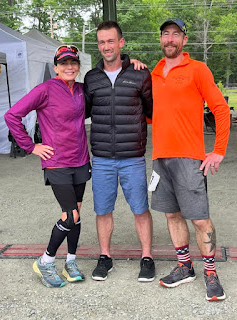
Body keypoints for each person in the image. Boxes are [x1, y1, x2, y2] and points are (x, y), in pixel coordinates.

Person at [151, 18, 230, 301]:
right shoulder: (154, 73)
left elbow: (220, 109)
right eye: (165, 34)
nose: (170, 39)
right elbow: (153, 114)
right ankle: (185, 267)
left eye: (175, 34)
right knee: (171, 215)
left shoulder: (197, 69)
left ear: (184, 40)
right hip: (160, 157)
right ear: (160, 40)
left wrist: (218, 149)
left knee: (199, 219)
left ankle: (210, 272)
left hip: (189, 159)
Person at [5, 45, 91, 288]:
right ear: (55, 67)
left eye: (73, 62)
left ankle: (71, 261)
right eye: (63, 63)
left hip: (81, 159)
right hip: (57, 162)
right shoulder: (45, 89)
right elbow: (12, 115)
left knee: (75, 215)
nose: (69, 67)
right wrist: (31, 146)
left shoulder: (82, 90)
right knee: (70, 215)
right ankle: (45, 260)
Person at [84, 21, 155, 282]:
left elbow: (152, 110)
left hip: (132, 157)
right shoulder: (91, 78)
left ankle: (147, 257)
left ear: (121, 43)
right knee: (102, 210)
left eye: (110, 41)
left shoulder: (139, 74)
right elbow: (84, 111)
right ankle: (105, 257)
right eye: (101, 42)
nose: (106, 47)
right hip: (101, 157)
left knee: (140, 208)